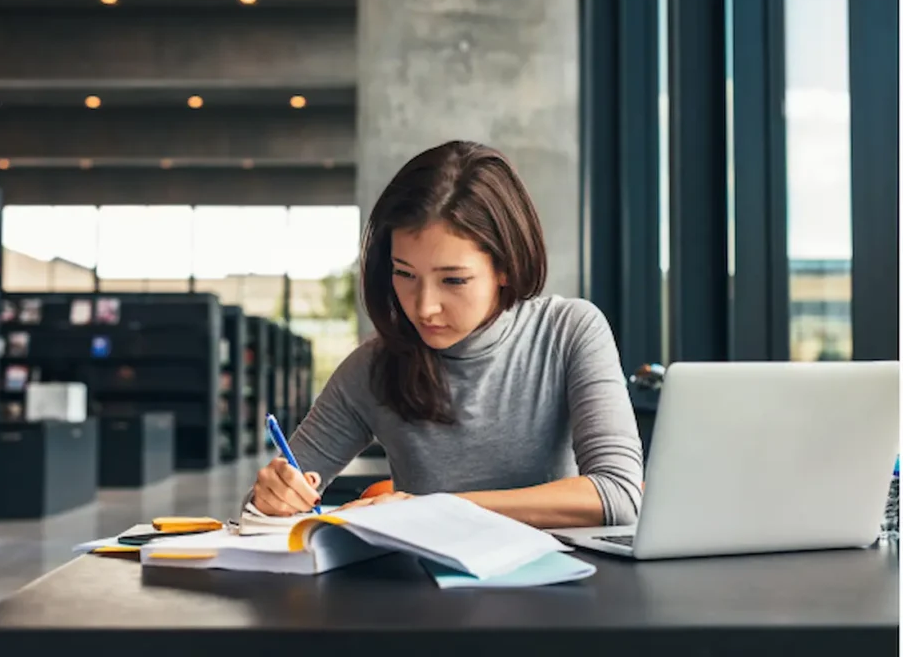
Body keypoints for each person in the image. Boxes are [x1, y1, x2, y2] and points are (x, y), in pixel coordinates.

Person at [249, 140, 644, 529]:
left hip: (559, 585)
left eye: (453, 280)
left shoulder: (568, 332)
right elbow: (255, 516)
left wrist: (434, 508)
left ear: (505, 266)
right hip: (426, 590)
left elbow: (619, 494)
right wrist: (270, 500)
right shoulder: (371, 368)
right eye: (404, 274)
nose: (424, 307)